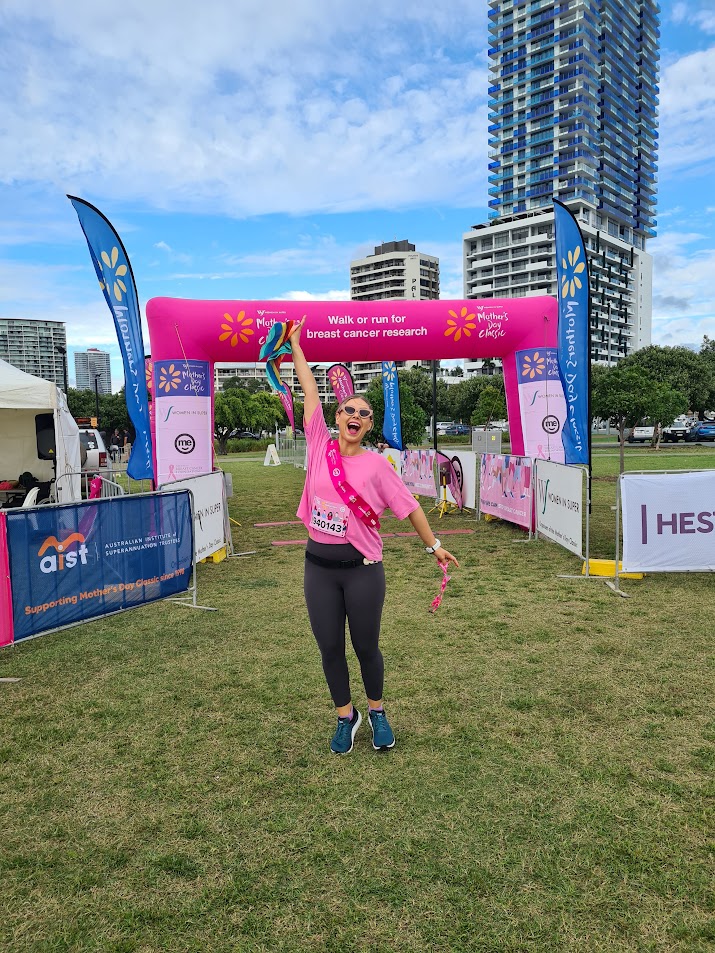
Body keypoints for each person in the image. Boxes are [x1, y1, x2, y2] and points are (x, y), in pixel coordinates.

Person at [289, 319, 459, 755]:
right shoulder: (317, 444)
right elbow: (309, 389)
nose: (357, 417)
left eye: (365, 414)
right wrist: (295, 344)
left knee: (366, 647)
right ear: (337, 416)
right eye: (350, 410)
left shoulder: (379, 466)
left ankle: (378, 712)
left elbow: (410, 508)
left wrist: (434, 546)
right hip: (318, 570)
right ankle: (346, 717)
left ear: (368, 426)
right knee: (329, 648)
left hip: (363, 572)